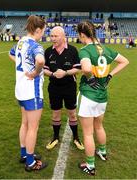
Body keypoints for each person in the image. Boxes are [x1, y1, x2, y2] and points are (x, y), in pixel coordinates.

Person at [76, 21, 129, 175]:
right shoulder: (105, 48)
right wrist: (110, 75)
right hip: (102, 95)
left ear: (82, 34)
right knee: (99, 126)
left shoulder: (85, 50)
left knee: (87, 133)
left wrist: (90, 78)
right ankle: (103, 152)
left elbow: (85, 68)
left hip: (88, 94)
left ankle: (90, 166)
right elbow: (125, 61)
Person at [9, 15, 48, 172]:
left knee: (24, 123)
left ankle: (24, 153)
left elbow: (10, 54)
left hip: (20, 89)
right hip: (32, 91)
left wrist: (23, 67)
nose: (43, 35)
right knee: (33, 127)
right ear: (37, 30)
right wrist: (34, 73)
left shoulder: (21, 41)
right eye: (43, 32)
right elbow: (40, 61)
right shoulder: (35, 45)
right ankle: (31, 162)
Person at [44, 26, 84, 150]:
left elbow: (78, 68)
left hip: (69, 87)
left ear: (63, 36)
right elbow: (44, 70)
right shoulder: (48, 51)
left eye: (56, 36)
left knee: (72, 113)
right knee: (55, 113)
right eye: (51, 36)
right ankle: (55, 137)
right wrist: (52, 74)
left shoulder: (72, 50)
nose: (53, 38)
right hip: (54, 87)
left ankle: (76, 138)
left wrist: (65, 73)